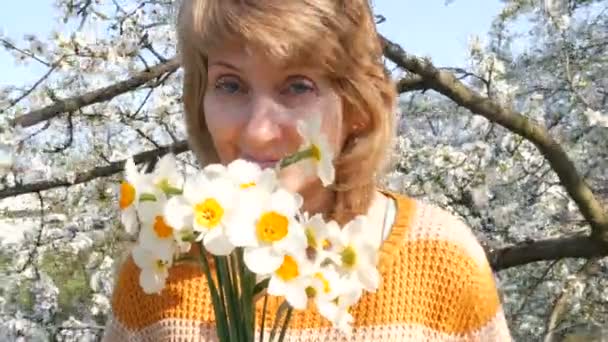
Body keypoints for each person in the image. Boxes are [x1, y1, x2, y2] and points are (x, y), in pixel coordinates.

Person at [102, 0, 513, 341]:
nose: (259, 131)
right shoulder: (157, 270)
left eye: (297, 86)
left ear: (356, 105)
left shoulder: (441, 259)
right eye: (230, 85)